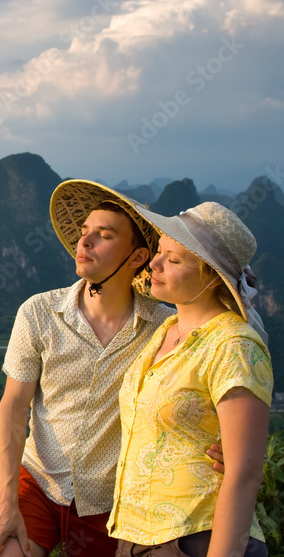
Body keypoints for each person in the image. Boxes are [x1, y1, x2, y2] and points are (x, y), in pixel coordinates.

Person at [0, 180, 177, 557]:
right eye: (84, 233)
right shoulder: (38, 313)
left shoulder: (162, 328)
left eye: (103, 236)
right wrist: (5, 501)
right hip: (38, 482)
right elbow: (13, 407)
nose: (84, 243)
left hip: (113, 498)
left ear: (137, 257)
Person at [108, 202, 273, 557]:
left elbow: (243, 475)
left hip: (198, 536)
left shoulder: (233, 345)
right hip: (137, 536)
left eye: (175, 259)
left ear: (212, 276)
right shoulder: (166, 330)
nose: (155, 263)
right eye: (159, 252)